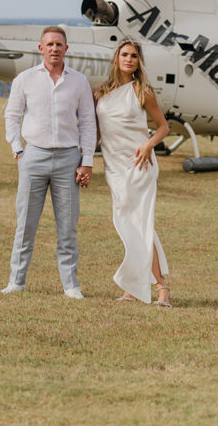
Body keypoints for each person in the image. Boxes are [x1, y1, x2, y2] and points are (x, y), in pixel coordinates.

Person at [2, 25, 96, 299]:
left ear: (66, 49)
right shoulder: (25, 79)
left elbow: (88, 122)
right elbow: (12, 115)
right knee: (26, 224)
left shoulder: (79, 81)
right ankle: (16, 281)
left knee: (67, 226)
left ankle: (70, 285)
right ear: (40, 48)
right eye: (50, 44)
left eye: (59, 44)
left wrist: (87, 160)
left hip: (69, 159)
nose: (55, 48)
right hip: (34, 157)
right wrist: (18, 150)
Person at [94, 37, 172, 306]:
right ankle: (134, 285)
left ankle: (160, 288)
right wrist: (81, 159)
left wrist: (149, 144)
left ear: (139, 62)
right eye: (125, 54)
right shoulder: (100, 92)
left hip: (139, 166)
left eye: (134, 56)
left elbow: (163, 127)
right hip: (114, 168)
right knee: (128, 226)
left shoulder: (143, 91)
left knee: (140, 225)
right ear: (117, 58)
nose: (129, 59)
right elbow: (93, 132)